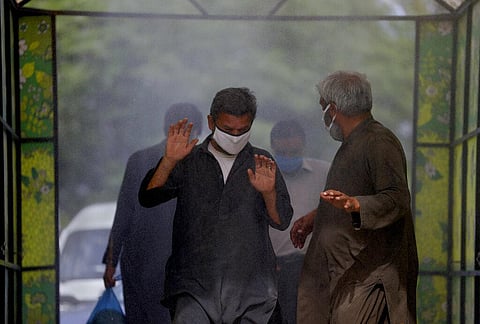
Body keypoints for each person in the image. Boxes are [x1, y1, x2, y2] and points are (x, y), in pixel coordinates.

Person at [138, 87, 293, 324]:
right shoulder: (188, 160)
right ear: (211, 122)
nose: (234, 136)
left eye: (242, 130)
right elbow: (148, 198)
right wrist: (168, 161)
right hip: (193, 287)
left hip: (252, 289)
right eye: (227, 129)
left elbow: (282, 221)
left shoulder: (262, 162)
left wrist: (268, 193)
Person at [291, 71, 418, 324]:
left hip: (368, 278)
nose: (324, 116)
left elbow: (397, 198)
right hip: (342, 275)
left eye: (323, 108)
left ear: (334, 109)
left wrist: (357, 205)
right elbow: (350, 196)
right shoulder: (353, 143)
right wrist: (318, 218)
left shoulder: (379, 142)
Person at [102, 103, 203, 323]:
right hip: (182, 269)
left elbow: (123, 214)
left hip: (141, 266)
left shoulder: (139, 160)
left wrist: (111, 262)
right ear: (198, 132)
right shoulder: (204, 164)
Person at [269, 119, 330, 324]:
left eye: (292, 153)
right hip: (271, 268)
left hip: (309, 268)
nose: (288, 158)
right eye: (283, 154)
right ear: (273, 147)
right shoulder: (263, 177)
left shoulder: (324, 173)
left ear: (303, 145)